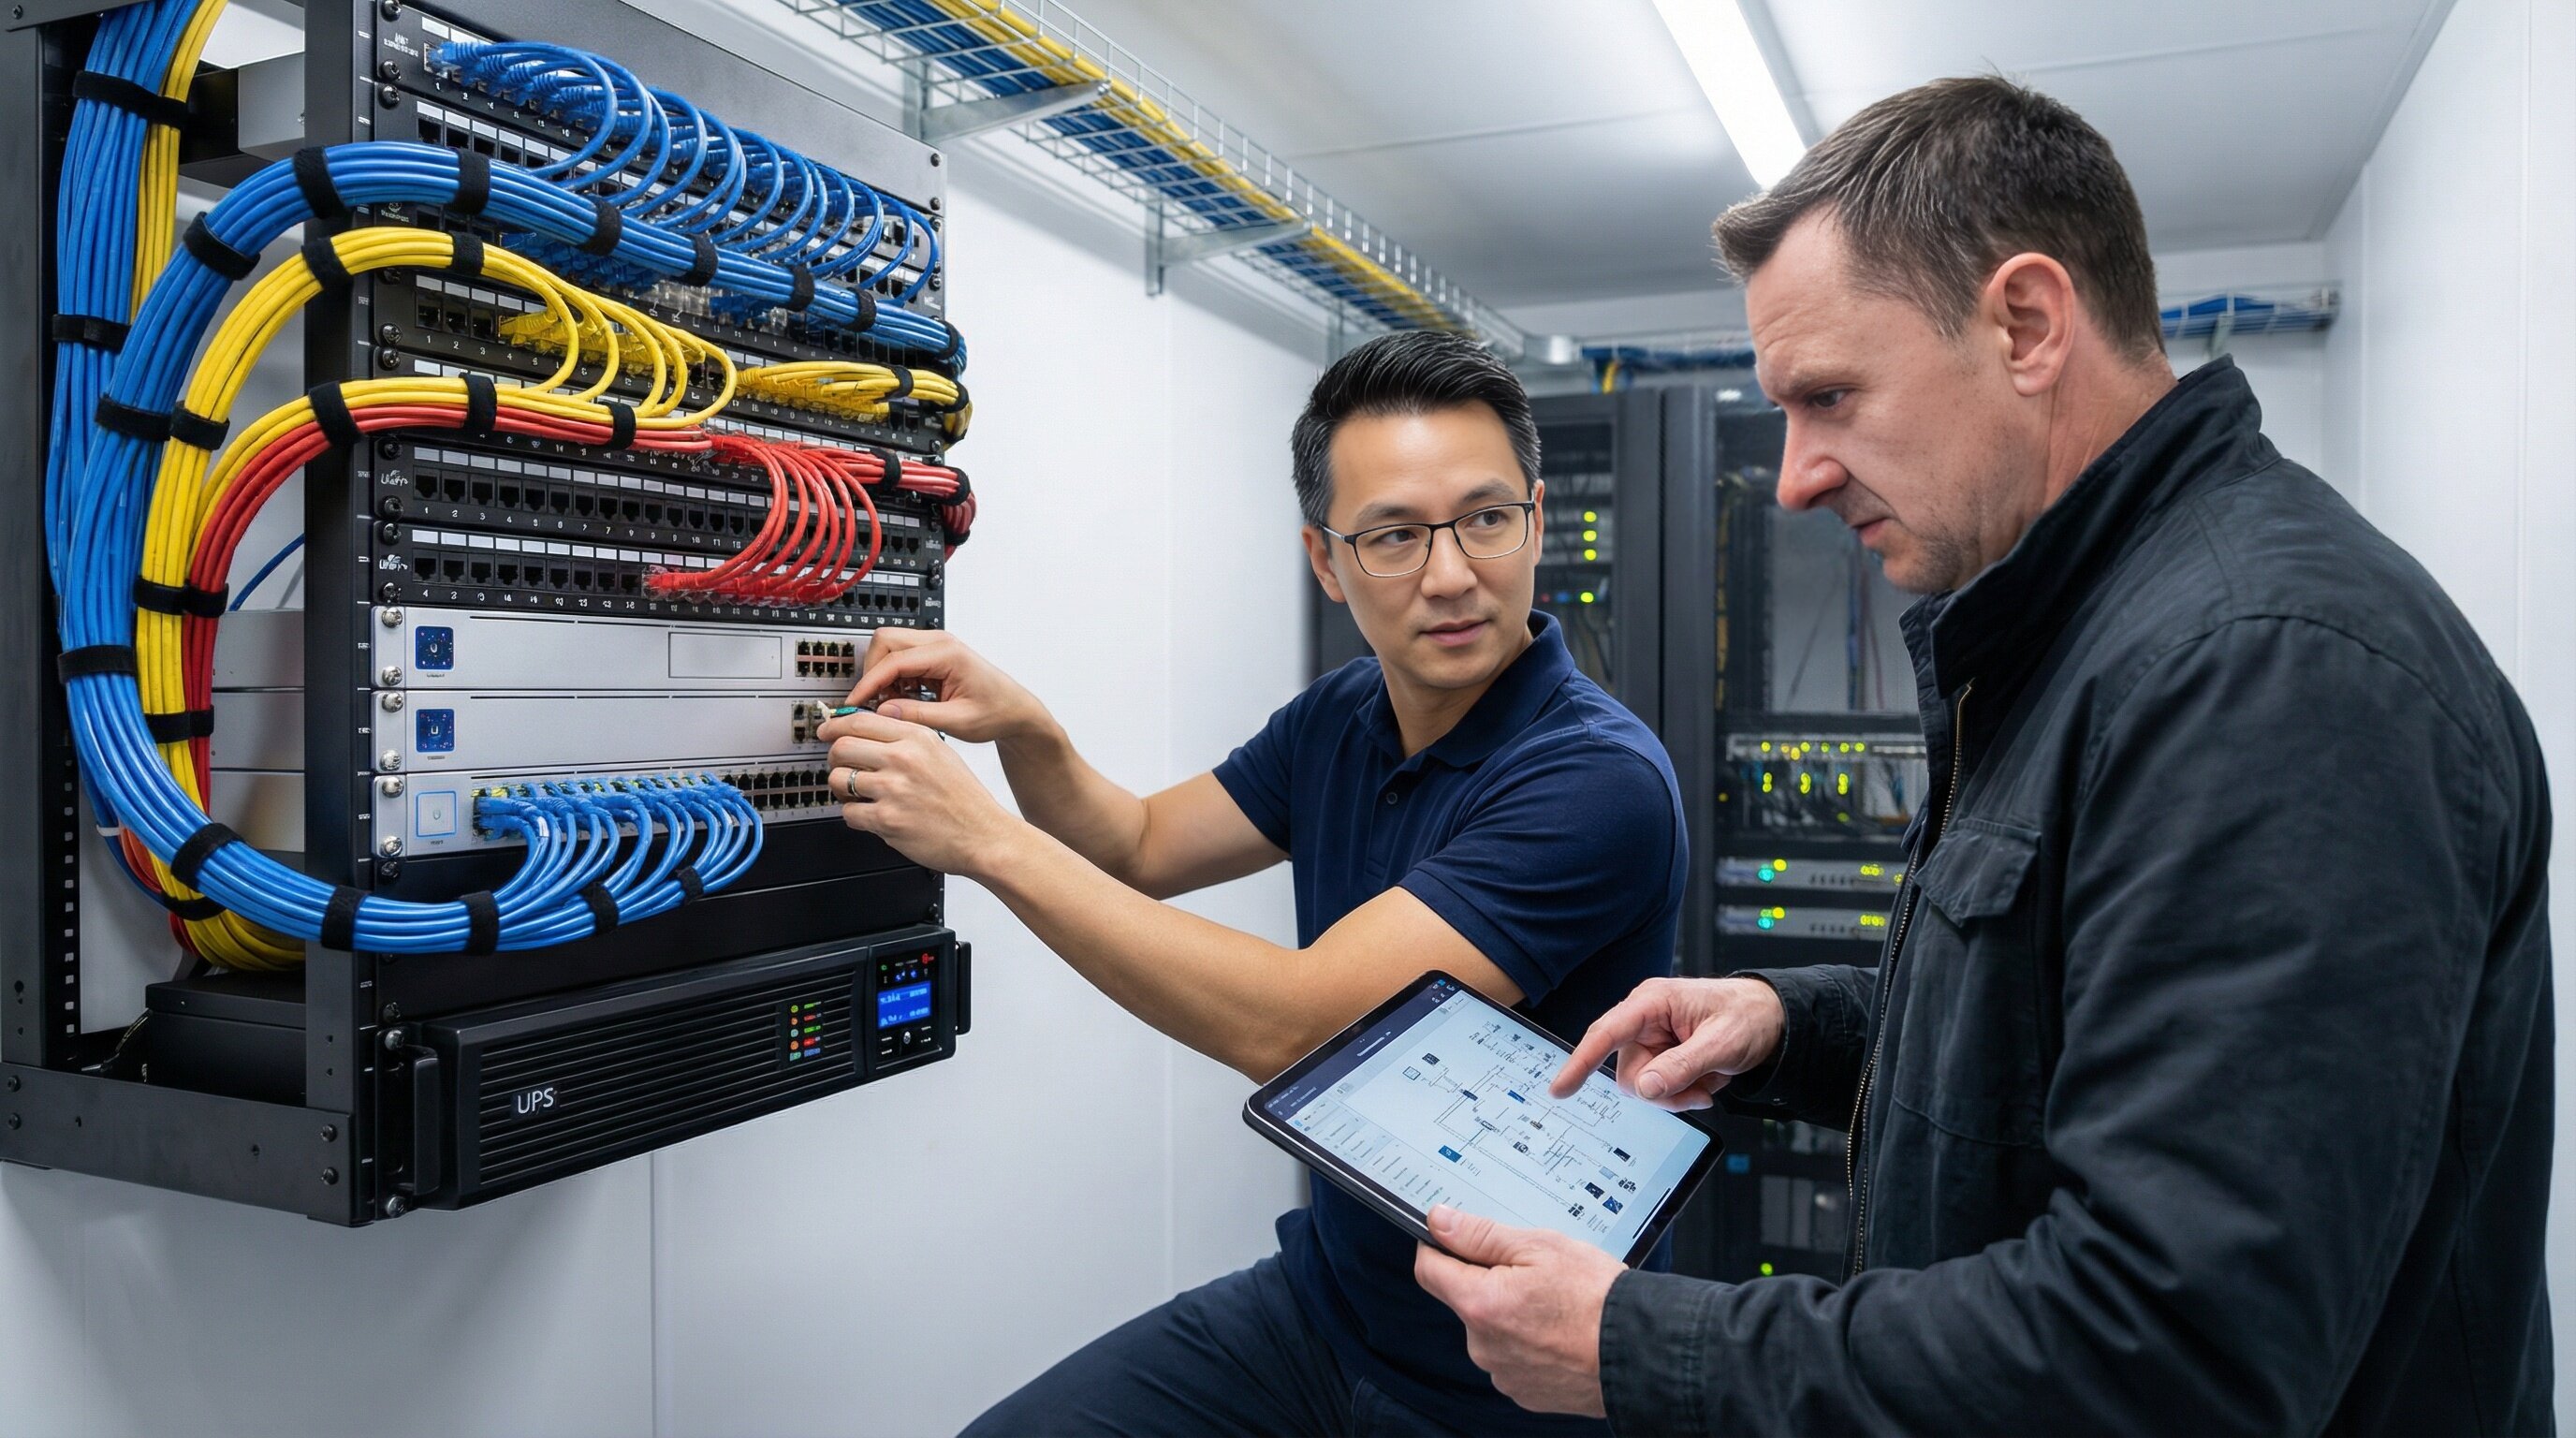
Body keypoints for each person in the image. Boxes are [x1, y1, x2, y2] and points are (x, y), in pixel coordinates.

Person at [1413, 75, 2554, 1435]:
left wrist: (1650, 1347)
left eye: (1830, 395)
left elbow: (2175, 1358)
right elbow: (2056, 1037)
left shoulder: (2266, 667)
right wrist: (1791, 1028)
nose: (1794, 476)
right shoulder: (2086, 628)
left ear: (2026, 323)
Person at [816, 330, 1689, 1436]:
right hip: (1324, 1307)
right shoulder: (1341, 716)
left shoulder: (1594, 782)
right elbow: (1134, 843)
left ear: (1537, 519)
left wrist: (984, 841)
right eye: (1393, 537)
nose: (1452, 572)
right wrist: (1028, 730)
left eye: (1485, 518)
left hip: (1517, 1375)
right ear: (1326, 560)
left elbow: (1304, 1029)